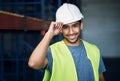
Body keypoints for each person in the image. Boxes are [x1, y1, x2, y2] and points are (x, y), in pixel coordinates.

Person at [28, 3, 106, 81]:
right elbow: (33, 64)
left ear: (81, 25)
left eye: (74, 26)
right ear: (60, 29)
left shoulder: (94, 50)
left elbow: (100, 77)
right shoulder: (52, 52)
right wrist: (50, 33)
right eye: (65, 27)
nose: (71, 32)